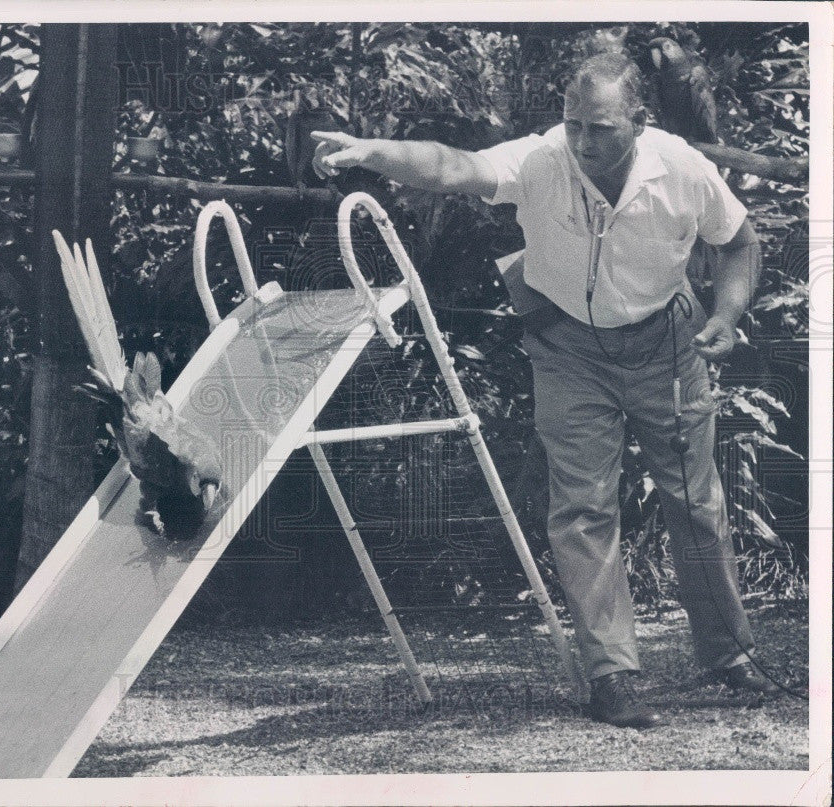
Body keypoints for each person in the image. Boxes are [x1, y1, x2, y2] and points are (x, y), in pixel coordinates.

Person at [311, 52, 777, 729]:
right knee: (583, 505)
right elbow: (451, 165)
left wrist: (727, 318)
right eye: (573, 125)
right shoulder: (541, 159)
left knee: (694, 499)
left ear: (639, 123)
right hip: (568, 347)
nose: (583, 143)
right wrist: (370, 151)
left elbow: (740, 243)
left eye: (601, 129)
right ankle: (612, 673)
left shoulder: (682, 168)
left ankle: (729, 654)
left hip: (669, 344)